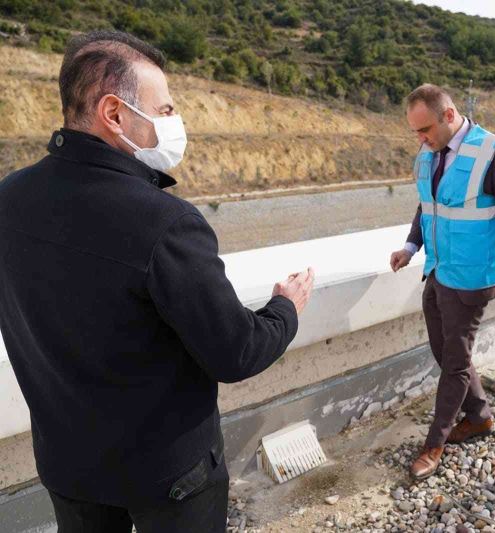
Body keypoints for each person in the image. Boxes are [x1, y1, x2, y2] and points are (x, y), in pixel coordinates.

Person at [0, 31, 313, 533]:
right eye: (164, 109)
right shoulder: (164, 223)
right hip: (168, 477)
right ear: (114, 113)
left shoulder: (9, 198)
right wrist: (286, 307)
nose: (174, 122)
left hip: (67, 465)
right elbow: (236, 352)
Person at [389, 84, 495, 480]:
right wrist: (410, 246)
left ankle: (433, 445)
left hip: (472, 278)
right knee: (446, 352)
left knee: (454, 362)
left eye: (425, 130)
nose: (420, 139)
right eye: (415, 132)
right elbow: (429, 203)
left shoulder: (493, 151)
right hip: (438, 270)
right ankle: (480, 415)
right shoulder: (428, 153)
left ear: (449, 115)